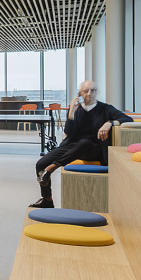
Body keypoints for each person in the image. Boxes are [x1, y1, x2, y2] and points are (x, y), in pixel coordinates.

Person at [31, 80, 132, 208]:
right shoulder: (76, 109)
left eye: (93, 90)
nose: (90, 93)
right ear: (80, 93)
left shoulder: (105, 109)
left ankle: (50, 169)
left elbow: (127, 119)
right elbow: (69, 132)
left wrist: (109, 123)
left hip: (93, 149)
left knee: (84, 143)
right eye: (86, 91)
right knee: (40, 164)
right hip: (72, 145)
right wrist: (71, 112)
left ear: (97, 92)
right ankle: (47, 200)